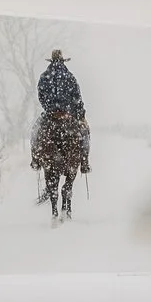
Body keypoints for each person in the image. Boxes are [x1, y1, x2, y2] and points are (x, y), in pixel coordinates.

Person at [31, 50, 90, 222]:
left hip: (50, 116)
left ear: (51, 60)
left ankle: (35, 159)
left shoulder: (44, 76)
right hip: (68, 115)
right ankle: (84, 161)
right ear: (63, 61)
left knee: (34, 132)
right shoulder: (70, 77)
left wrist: (50, 109)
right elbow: (77, 98)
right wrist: (78, 114)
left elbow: (41, 96)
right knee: (84, 133)